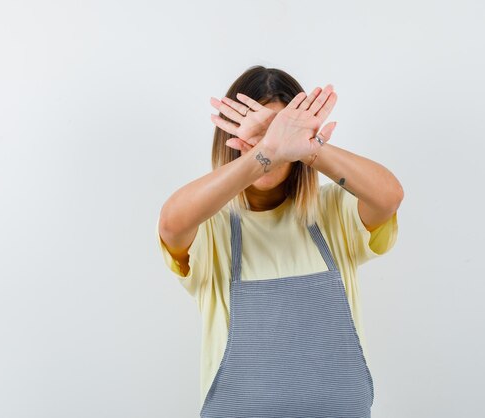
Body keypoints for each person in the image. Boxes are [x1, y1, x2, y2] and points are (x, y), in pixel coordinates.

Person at [155, 66, 402, 417]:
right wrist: (266, 152)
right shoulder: (212, 227)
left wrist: (309, 149)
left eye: (280, 129)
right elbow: (171, 222)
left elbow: (389, 196)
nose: (271, 142)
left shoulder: (331, 213)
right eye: (257, 134)